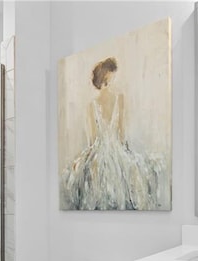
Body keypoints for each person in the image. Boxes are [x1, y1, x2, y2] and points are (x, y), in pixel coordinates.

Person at [61, 57, 162, 210]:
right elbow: (121, 133)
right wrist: (122, 148)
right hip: (116, 149)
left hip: (99, 150)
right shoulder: (119, 99)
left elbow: (93, 139)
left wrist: (92, 154)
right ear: (107, 77)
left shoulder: (91, 106)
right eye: (112, 76)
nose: (114, 79)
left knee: (89, 174)